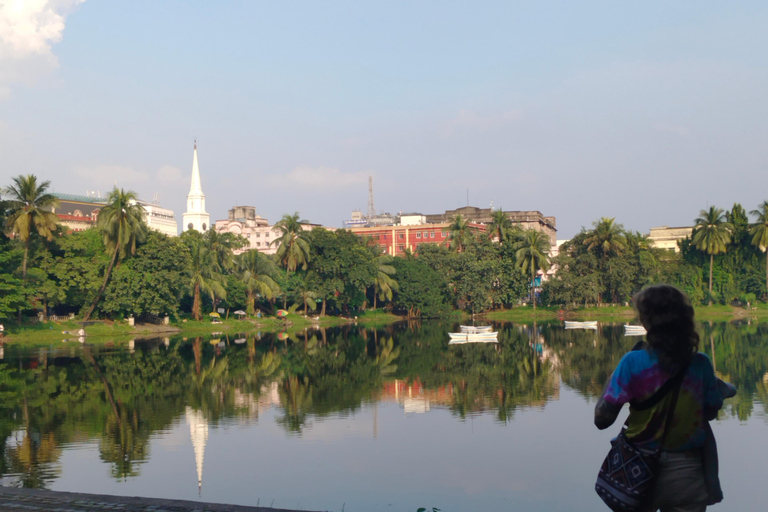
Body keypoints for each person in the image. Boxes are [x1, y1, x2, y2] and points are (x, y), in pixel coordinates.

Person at [594, 284, 733, 512]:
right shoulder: (701, 364)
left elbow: (602, 420)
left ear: (646, 322)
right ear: (685, 320)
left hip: (637, 469)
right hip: (688, 472)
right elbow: (709, 414)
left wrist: (614, 376)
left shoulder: (632, 363)